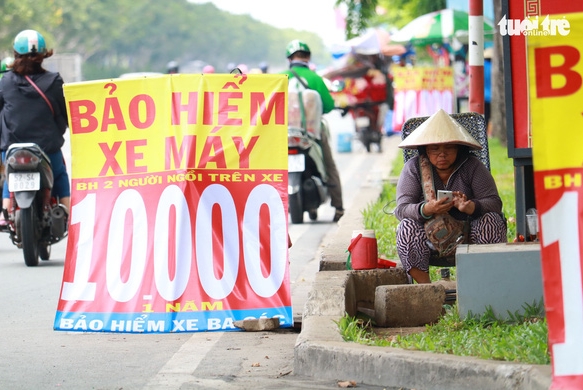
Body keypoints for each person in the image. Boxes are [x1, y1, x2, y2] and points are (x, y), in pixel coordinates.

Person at [394, 109, 506, 284]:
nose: (442, 154)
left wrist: (471, 207)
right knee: (406, 227)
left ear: (459, 148)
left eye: (449, 147)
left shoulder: (472, 166)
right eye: (435, 148)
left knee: (491, 220)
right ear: (425, 150)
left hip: (470, 237)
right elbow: (401, 209)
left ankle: (482, 286)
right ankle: (427, 290)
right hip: (428, 238)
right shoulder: (413, 168)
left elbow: (494, 203)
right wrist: (426, 209)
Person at [0, 29, 70, 225]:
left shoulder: (6, 82)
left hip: (12, 148)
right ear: (43, 55)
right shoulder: (54, 80)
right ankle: (67, 213)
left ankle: (5, 210)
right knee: (60, 174)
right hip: (47, 150)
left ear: (15, 54)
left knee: (9, 174)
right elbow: (65, 112)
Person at [282, 39, 344, 222]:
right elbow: (328, 106)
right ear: (307, 57)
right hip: (311, 133)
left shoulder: (279, 78)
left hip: (284, 134)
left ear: (289, 58)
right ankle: (338, 207)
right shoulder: (315, 78)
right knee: (328, 165)